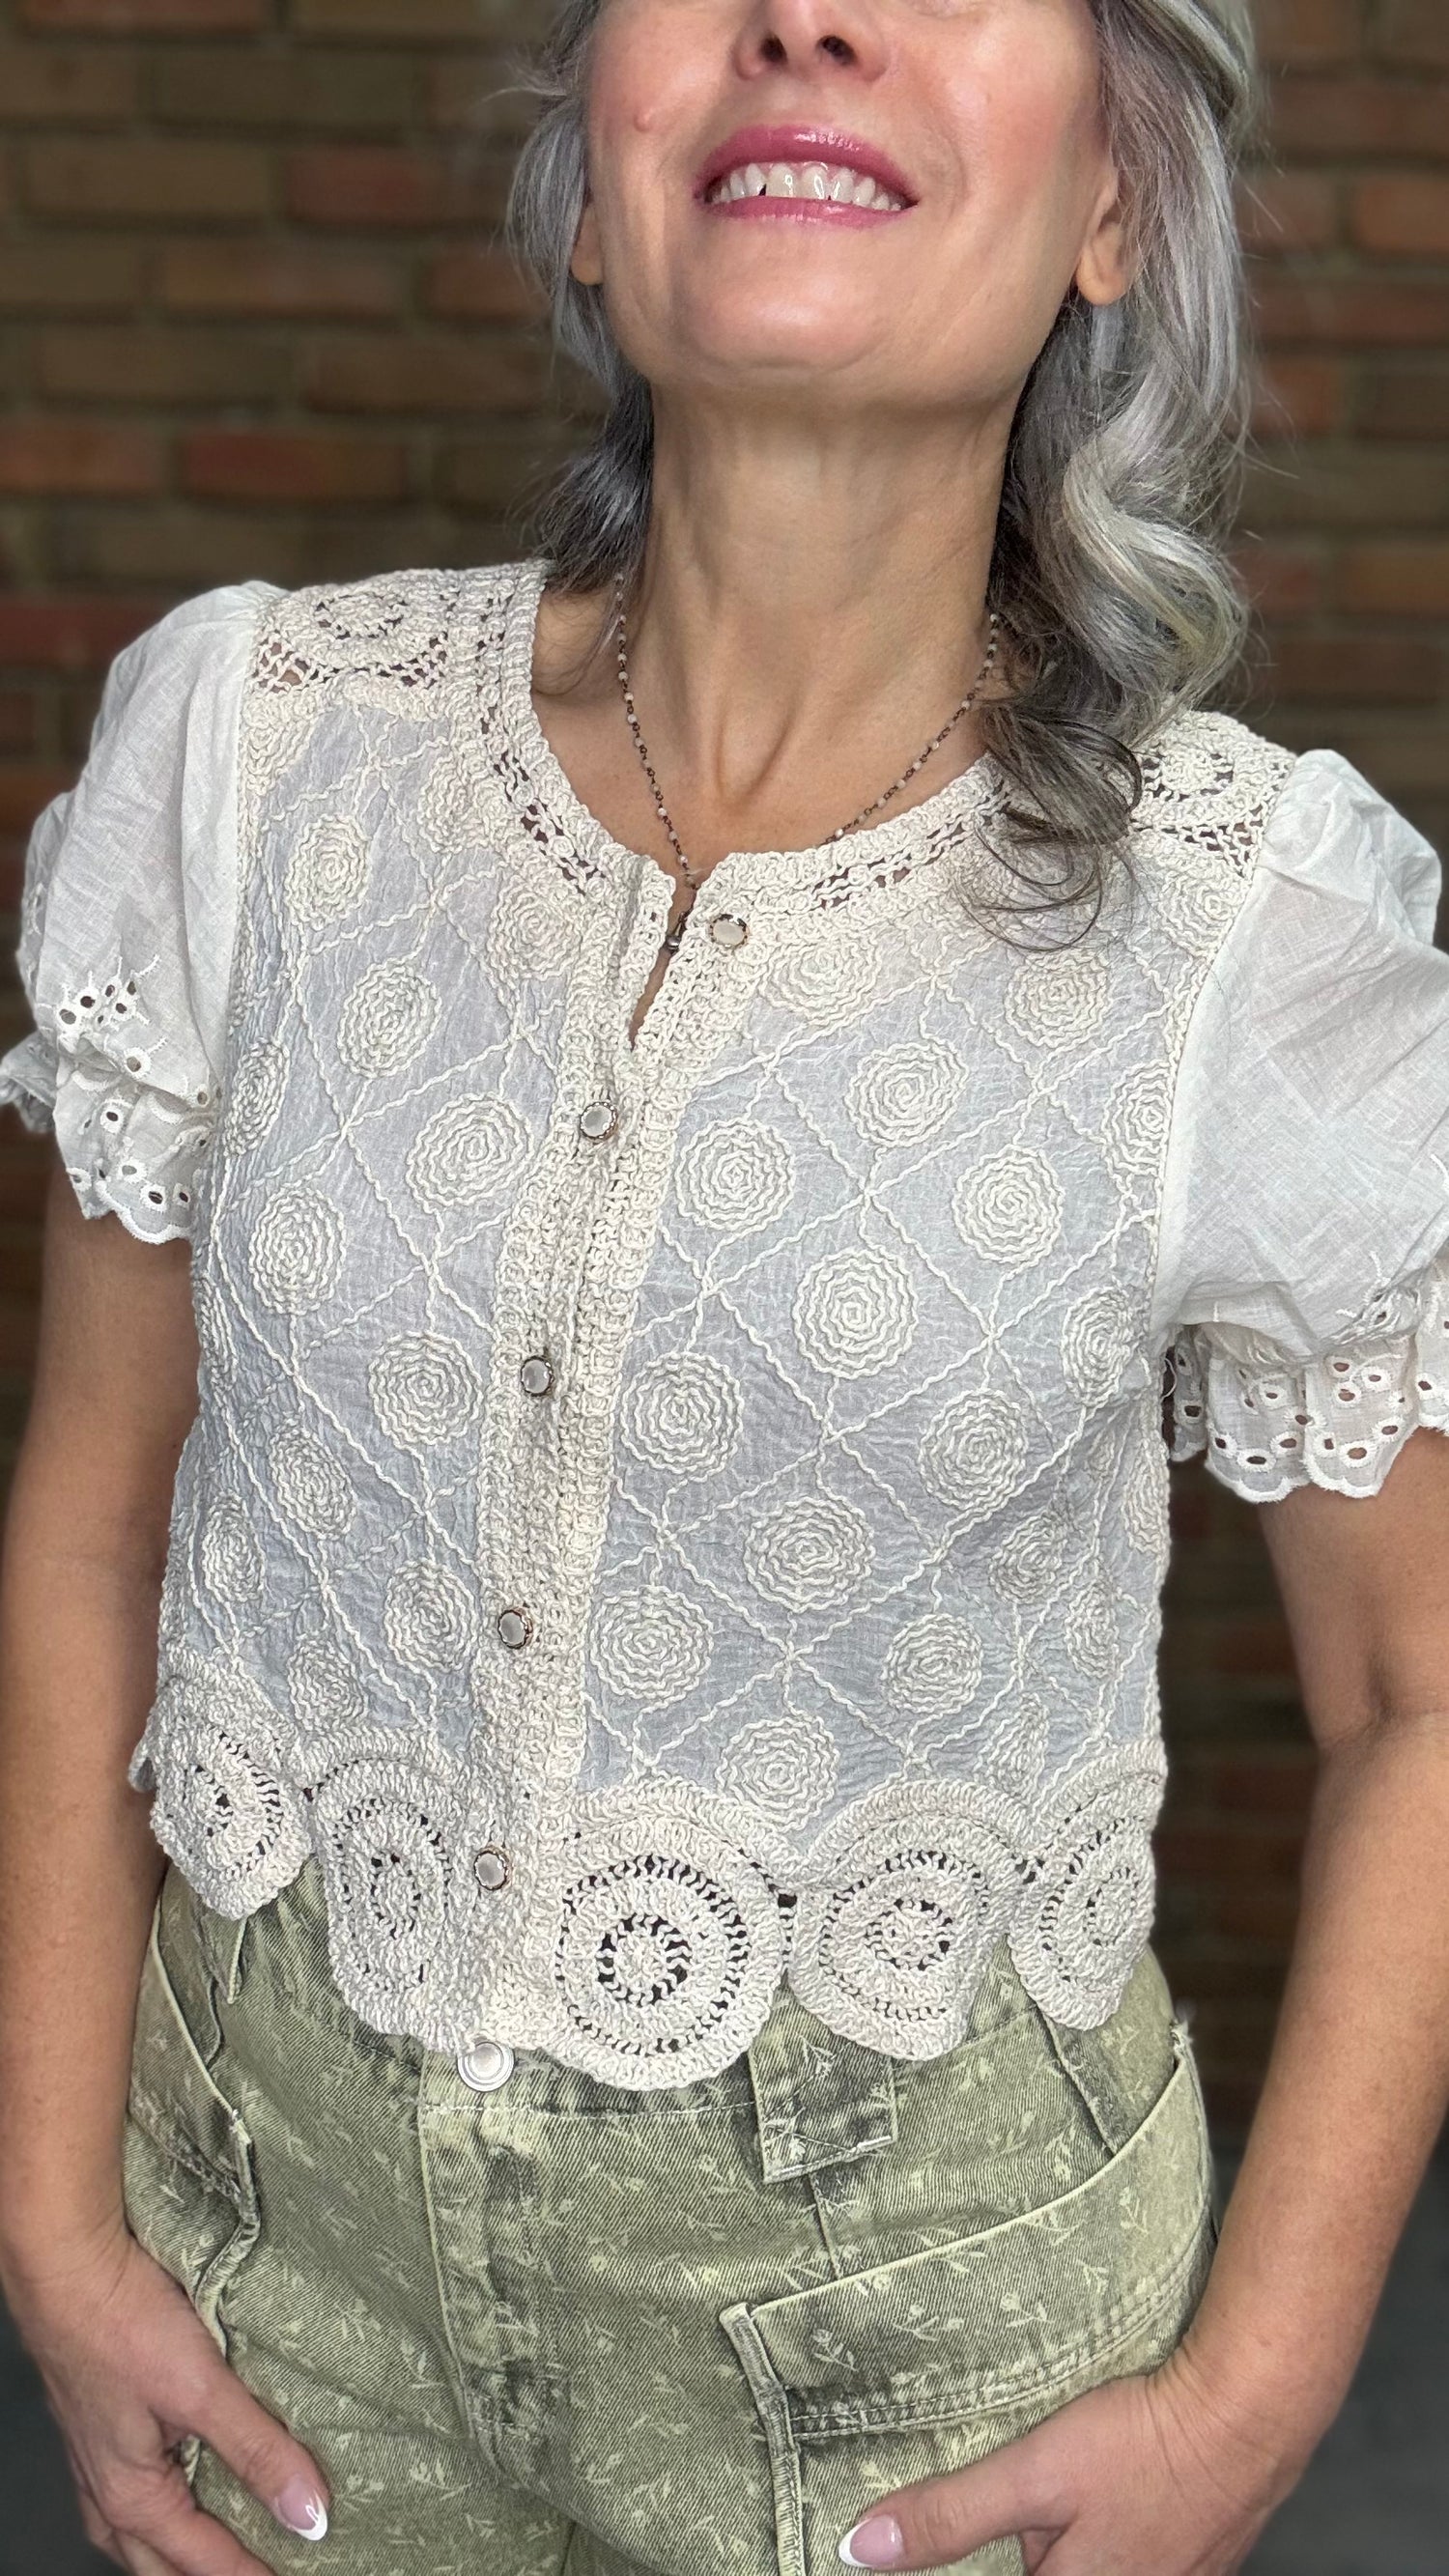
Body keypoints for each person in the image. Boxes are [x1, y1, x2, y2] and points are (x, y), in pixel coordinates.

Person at [2, 0, 1448, 2568]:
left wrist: (1256, 2383)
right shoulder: (250, 757)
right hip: (270, 2283)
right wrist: (47, 2202)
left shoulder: (1251, 941)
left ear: (1114, 208)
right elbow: (99, 1507)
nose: (806, 14)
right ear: (590, 190)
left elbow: (1418, 1694)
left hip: (917, 2358)